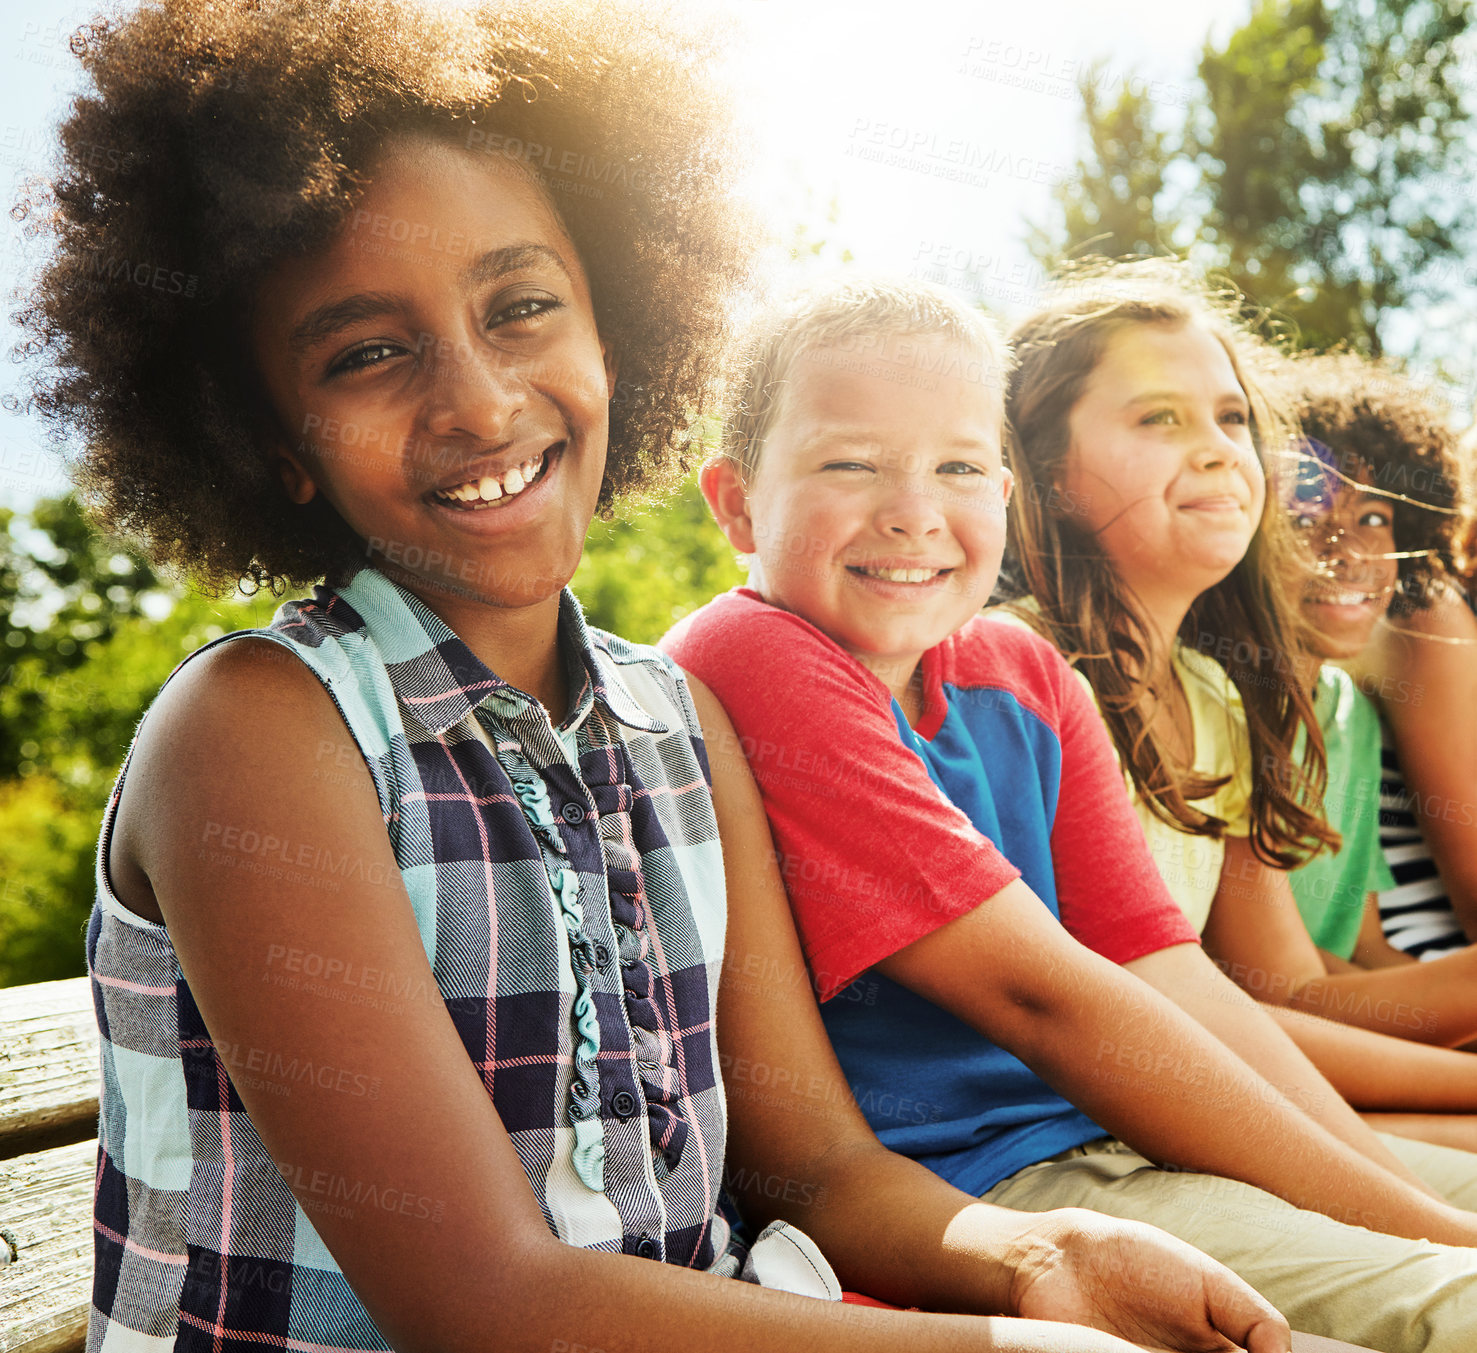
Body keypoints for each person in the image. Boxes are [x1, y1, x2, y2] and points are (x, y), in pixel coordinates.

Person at [19, 4, 1298, 1352]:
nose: (479, 401)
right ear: (273, 442)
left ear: (617, 336)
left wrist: (1049, 1256)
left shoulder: (675, 723)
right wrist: (1003, 1343)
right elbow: (484, 1301)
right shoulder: (260, 733)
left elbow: (819, 1172)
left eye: (522, 309)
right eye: (367, 352)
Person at [664, 273, 1477, 1352]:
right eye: (849, 463)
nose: (912, 509)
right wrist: (1425, 1240)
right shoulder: (751, 653)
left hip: (1142, 1142)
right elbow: (1038, 997)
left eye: (957, 467)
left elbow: (1177, 985)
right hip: (1006, 1188)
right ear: (733, 503)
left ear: (1001, 492)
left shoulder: (1024, 672)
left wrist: (1389, 1197)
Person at [995, 264, 1477, 1079]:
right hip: (1103, 1115)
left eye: (1231, 420)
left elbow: (1320, 968)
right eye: (1159, 417)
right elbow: (1207, 1006)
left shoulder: (1239, 702)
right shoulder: (1028, 675)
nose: (1220, 450)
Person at [1284, 358, 1477, 961]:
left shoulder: (1350, 720)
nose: (1347, 546)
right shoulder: (1430, 616)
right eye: (1307, 517)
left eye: (1375, 518)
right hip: (1430, 968)